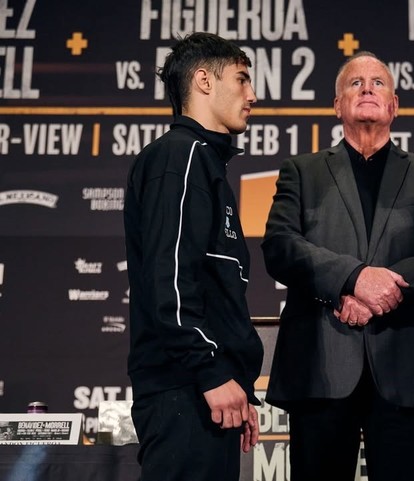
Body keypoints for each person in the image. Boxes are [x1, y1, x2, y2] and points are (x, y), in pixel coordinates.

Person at [262, 51, 414, 481]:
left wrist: (378, 295)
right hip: (321, 364)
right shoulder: (301, 171)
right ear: (337, 105)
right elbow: (280, 246)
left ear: (394, 106)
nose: (367, 88)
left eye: (378, 83)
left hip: (407, 368)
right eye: (355, 83)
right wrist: (352, 279)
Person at [123, 32, 264, 481]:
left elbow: (210, 287)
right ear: (204, 80)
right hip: (183, 391)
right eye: (242, 80)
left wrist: (234, 384)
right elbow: (171, 279)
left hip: (204, 391)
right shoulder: (180, 158)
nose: (252, 95)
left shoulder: (203, 162)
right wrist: (210, 372)